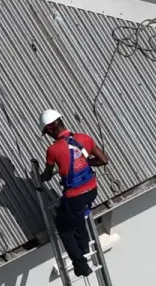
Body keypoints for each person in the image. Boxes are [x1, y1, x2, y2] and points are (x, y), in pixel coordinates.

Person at [41, 109, 108, 276]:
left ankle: (80, 265)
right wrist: (85, 163)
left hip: (75, 197)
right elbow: (103, 160)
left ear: (50, 129)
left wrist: (39, 178)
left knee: (64, 227)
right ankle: (84, 245)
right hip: (92, 190)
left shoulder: (53, 150)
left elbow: (47, 175)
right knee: (77, 217)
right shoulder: (84, 138)